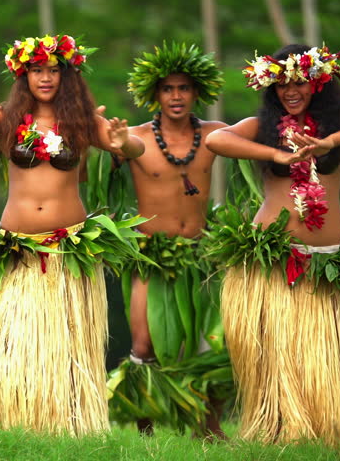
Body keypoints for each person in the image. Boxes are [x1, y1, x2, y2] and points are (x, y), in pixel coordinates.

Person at [0, 34, 147, 436]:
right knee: (15, 340)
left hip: (67, 246)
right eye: (37, 70)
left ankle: (68, 419)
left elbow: (132, 147)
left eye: (54, 70)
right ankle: (13, 415)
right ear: (24, 75)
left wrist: (126, 144)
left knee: (67, 341)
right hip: (17, 248)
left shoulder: (83, 122)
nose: (46, 77)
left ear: (67, 76)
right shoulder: (7, 120)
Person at [204, 44, 340, 449]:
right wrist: (276, 152)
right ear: (271, 89)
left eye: (299, 82)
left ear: (317, 82)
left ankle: (322, 430)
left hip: (327, 259)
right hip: (272, 257)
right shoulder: (263, 125)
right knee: (274, 353)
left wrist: (330, 143)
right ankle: (275, 428)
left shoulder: (338, 121)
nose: (290, 91)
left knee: (320, 359)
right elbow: (218, 141)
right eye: (281, 84)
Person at [106, 42, 232, 439]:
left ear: (197, 93)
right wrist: (116, 142)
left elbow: (256, 135)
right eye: (168, 89)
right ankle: (146, 430)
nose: (176, 96)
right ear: (155, 95)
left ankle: (208, 428)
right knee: (145, 346)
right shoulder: (139, 137)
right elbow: (126, 146)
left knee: (212, 346)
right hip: (152, 254)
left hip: (201, 253)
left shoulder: (214, 135)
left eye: (184, 88)